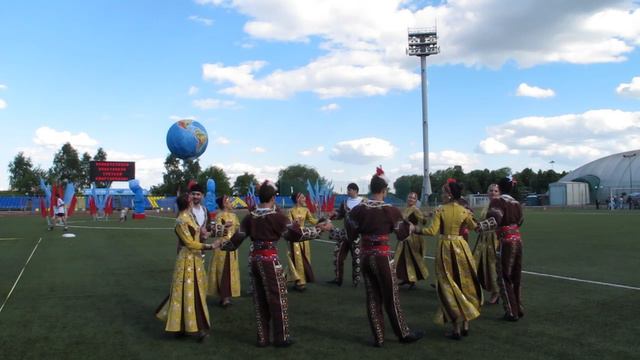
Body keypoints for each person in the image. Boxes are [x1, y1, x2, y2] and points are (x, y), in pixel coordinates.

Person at [220, 180, 332, 347]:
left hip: (254, 260)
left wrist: (220, 246)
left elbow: (236, 239)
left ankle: (263, 338)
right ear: (273, 198)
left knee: (259, 299)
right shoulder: (277, 217)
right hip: (269, 260)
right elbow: (296, 235)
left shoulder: (250, 217)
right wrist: (320, 229)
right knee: (277, 298)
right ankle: (281, 338)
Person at [346, 167, 424, 347]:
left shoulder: (359, 209)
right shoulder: (391, 210)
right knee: (391, 297)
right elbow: (402, 234)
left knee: (373, 297)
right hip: (382, 257)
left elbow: (350, 233)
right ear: (384, 190)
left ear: (371, 188)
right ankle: (403, 334)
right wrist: (410, 227)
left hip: (365, 256)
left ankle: (378, 337)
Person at [416, 179, 482, 340]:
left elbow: (432, 231)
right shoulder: (464, 210)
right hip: (461, 248)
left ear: (450, 194)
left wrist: (415, 229)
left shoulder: (441, 210)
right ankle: (466, 323)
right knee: (463, 284)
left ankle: (456, 328)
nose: (442, 195)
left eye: (444, 192)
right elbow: (476, 228)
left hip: (445, 248)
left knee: (448, 286)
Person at [155, 193, 223, 342]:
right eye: (191, 199)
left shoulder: (190, 217)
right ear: (188, 203)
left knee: (192, 292)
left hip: (196, 260)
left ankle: (181, 327)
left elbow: (200, 235)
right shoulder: (181, 221)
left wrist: (221, 230)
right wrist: (211, 246)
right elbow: (189, 243)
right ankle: (196, 329)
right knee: (189, 293)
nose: (194, 201)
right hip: (186, 261)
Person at [478, 176, 525, 322]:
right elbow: (521, 220)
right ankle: (518, 307)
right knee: (516, 276)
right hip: (518, 239)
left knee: (504, 276)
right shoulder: (516, 202)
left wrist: (479, 227)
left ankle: (511, 311)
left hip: (506, 241)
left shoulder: (498, 201)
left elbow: (494, 220)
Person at [327, 182, 363, 287]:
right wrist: (333, 215)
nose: (347, 192)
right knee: (338, 256)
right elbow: (340, 214)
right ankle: (338, 279)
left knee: (356, 259)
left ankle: (356, 280)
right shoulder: (344, 202)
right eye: (347, 190)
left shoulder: (363, 202)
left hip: (357, 235)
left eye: (349, 190)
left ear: (355, 191)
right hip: (345, 234)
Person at [207, 195, 241, 307]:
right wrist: (224, 226)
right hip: (222, 247)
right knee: (222, 271)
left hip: (232, 247)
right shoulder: (219, 216)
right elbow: (216, 232)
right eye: (229, 201)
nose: (231, 203)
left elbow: (238, 231)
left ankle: (228, 295)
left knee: (231, 271)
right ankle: (224, 298)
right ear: (224, 204)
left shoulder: (234, 216)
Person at [473, 184, 501, 304]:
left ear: (499, 193)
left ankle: (496, 291)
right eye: (491, 190)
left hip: (494, 239)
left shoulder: (500, 205)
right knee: (475, 264)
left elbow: (498, 223)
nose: (493, 192)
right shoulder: (487, 205)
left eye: (495, 191)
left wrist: (479, 226)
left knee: (492, 266)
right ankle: (474, 291)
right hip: (483, 240)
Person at [394, 192, 429, 289]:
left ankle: (412, 279)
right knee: (402, 258)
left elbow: (423, 222)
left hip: (412, 237)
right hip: (404, 237)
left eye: (413, 198)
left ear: (416, 200)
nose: (411, 199)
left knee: (412, 258)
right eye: (409, 197)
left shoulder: (415, 209)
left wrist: (425, 216)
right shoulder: (406, 209)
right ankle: (406, 278)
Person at [286, 192, 318, 291]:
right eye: (303, 197)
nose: (304, 199)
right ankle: (299, 282)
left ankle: (301, 280)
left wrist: (322, 220)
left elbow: (312, 221)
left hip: (304, 238)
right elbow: (288, 224)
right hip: (295, 238)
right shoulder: (290, 211)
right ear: (297, 199)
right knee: (297, 259)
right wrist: (293, 223)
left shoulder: (306, 210)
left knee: (305, 259)